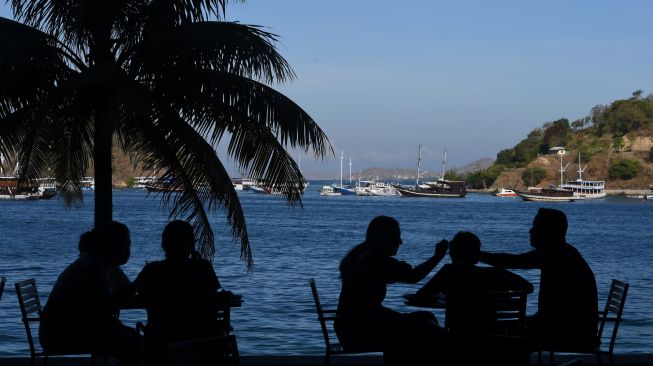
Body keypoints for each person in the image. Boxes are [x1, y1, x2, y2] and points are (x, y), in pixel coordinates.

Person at [478, 208, 598, 351]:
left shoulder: (555, 255)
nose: (530, 231)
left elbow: (512, 261)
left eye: (535, 227)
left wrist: (476, 255)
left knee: (501, 338)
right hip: (578, 330)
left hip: (570, 335)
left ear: (548, 231)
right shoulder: (565, 252)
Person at [334, 215, 447, 365]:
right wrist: (437, 257)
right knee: (426, 328)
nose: (400, 242)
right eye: (396, 236)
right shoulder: (374, 260)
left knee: (425, 317)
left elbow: (367, 305)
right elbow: (413, 276)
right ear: (383, 238)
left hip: (350, 327)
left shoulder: (360, 255)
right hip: (360, 331)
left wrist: (398, 317)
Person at [40, 221, 139, 366]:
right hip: (62, 335)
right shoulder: (91, 268)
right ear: (111, 245)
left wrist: (139, 285)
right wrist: (141, 281)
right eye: (125, 244)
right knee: (133, 346)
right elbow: (106, 306)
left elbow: (125, 294)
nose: (128, 250)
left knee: (135, 341)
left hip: (79, 327)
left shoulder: (106, 264)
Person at [132, 220, 229, 366]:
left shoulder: (152, 270)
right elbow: (212, 300)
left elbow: (129, 294)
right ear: (191, 244)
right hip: (201, 342)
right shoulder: (203, 268)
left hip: (160, 344)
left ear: (164, 244)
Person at [415, 231, 533, 334]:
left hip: (460, 334)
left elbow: (420, 297)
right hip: (493, 335)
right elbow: (528, 287)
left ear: (453, 254)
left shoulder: (450, 271)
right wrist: (504, 298)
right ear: (477, 253)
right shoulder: (497, 273)